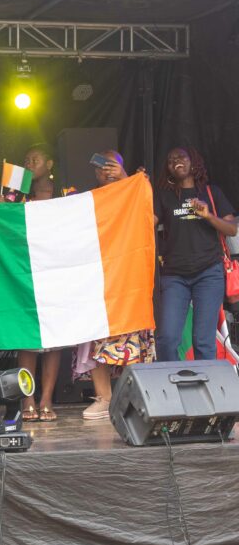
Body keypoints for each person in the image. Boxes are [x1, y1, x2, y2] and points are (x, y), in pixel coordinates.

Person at [74, 151, 156, 420]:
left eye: (113, 166)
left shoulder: (135, 190)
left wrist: (127, 179)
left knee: (131, 339)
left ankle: (136, 400)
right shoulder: (88, 199)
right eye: (101, 166)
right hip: (98, 279)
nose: (107, 171)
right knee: (96, 337)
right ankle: (104, 398)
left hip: (128, 277)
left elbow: (150, 215)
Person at [154, 146, 237, 362]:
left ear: (194, 162)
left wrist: (208, 216)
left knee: (203, 340)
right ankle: (171, 380)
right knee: (167, 338)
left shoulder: (211, 192)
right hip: (174, 276)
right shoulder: (164, 197)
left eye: (181, 157)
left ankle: (204, 383)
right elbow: (146, 222)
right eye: (170, 160)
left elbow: (232, 229)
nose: (175, 161)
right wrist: (136, 185)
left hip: (208, 274)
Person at [17, 144, 62, 422]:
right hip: (25, 273)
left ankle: (46, 399)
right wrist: (3, 207)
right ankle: (28, 399)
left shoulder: (65, 194)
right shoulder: (19, 196)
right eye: (26, 160)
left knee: (54, 340)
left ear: (50, 164)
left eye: (34, 159)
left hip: (56, 272)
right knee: (27, 339)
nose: (29, 164)